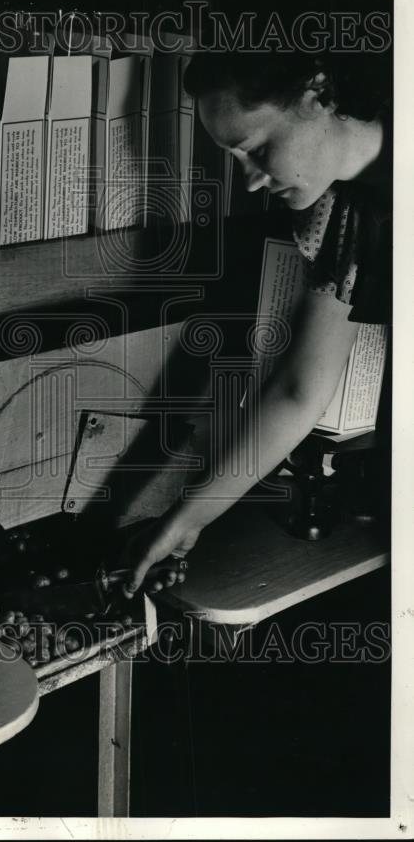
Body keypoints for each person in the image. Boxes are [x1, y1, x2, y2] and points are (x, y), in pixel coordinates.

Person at [121, 48, 392, 599]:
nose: (249, 182)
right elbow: (298, 389)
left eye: (259, 149)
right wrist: (189, 517)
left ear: (317, 92)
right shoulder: (339, 214)